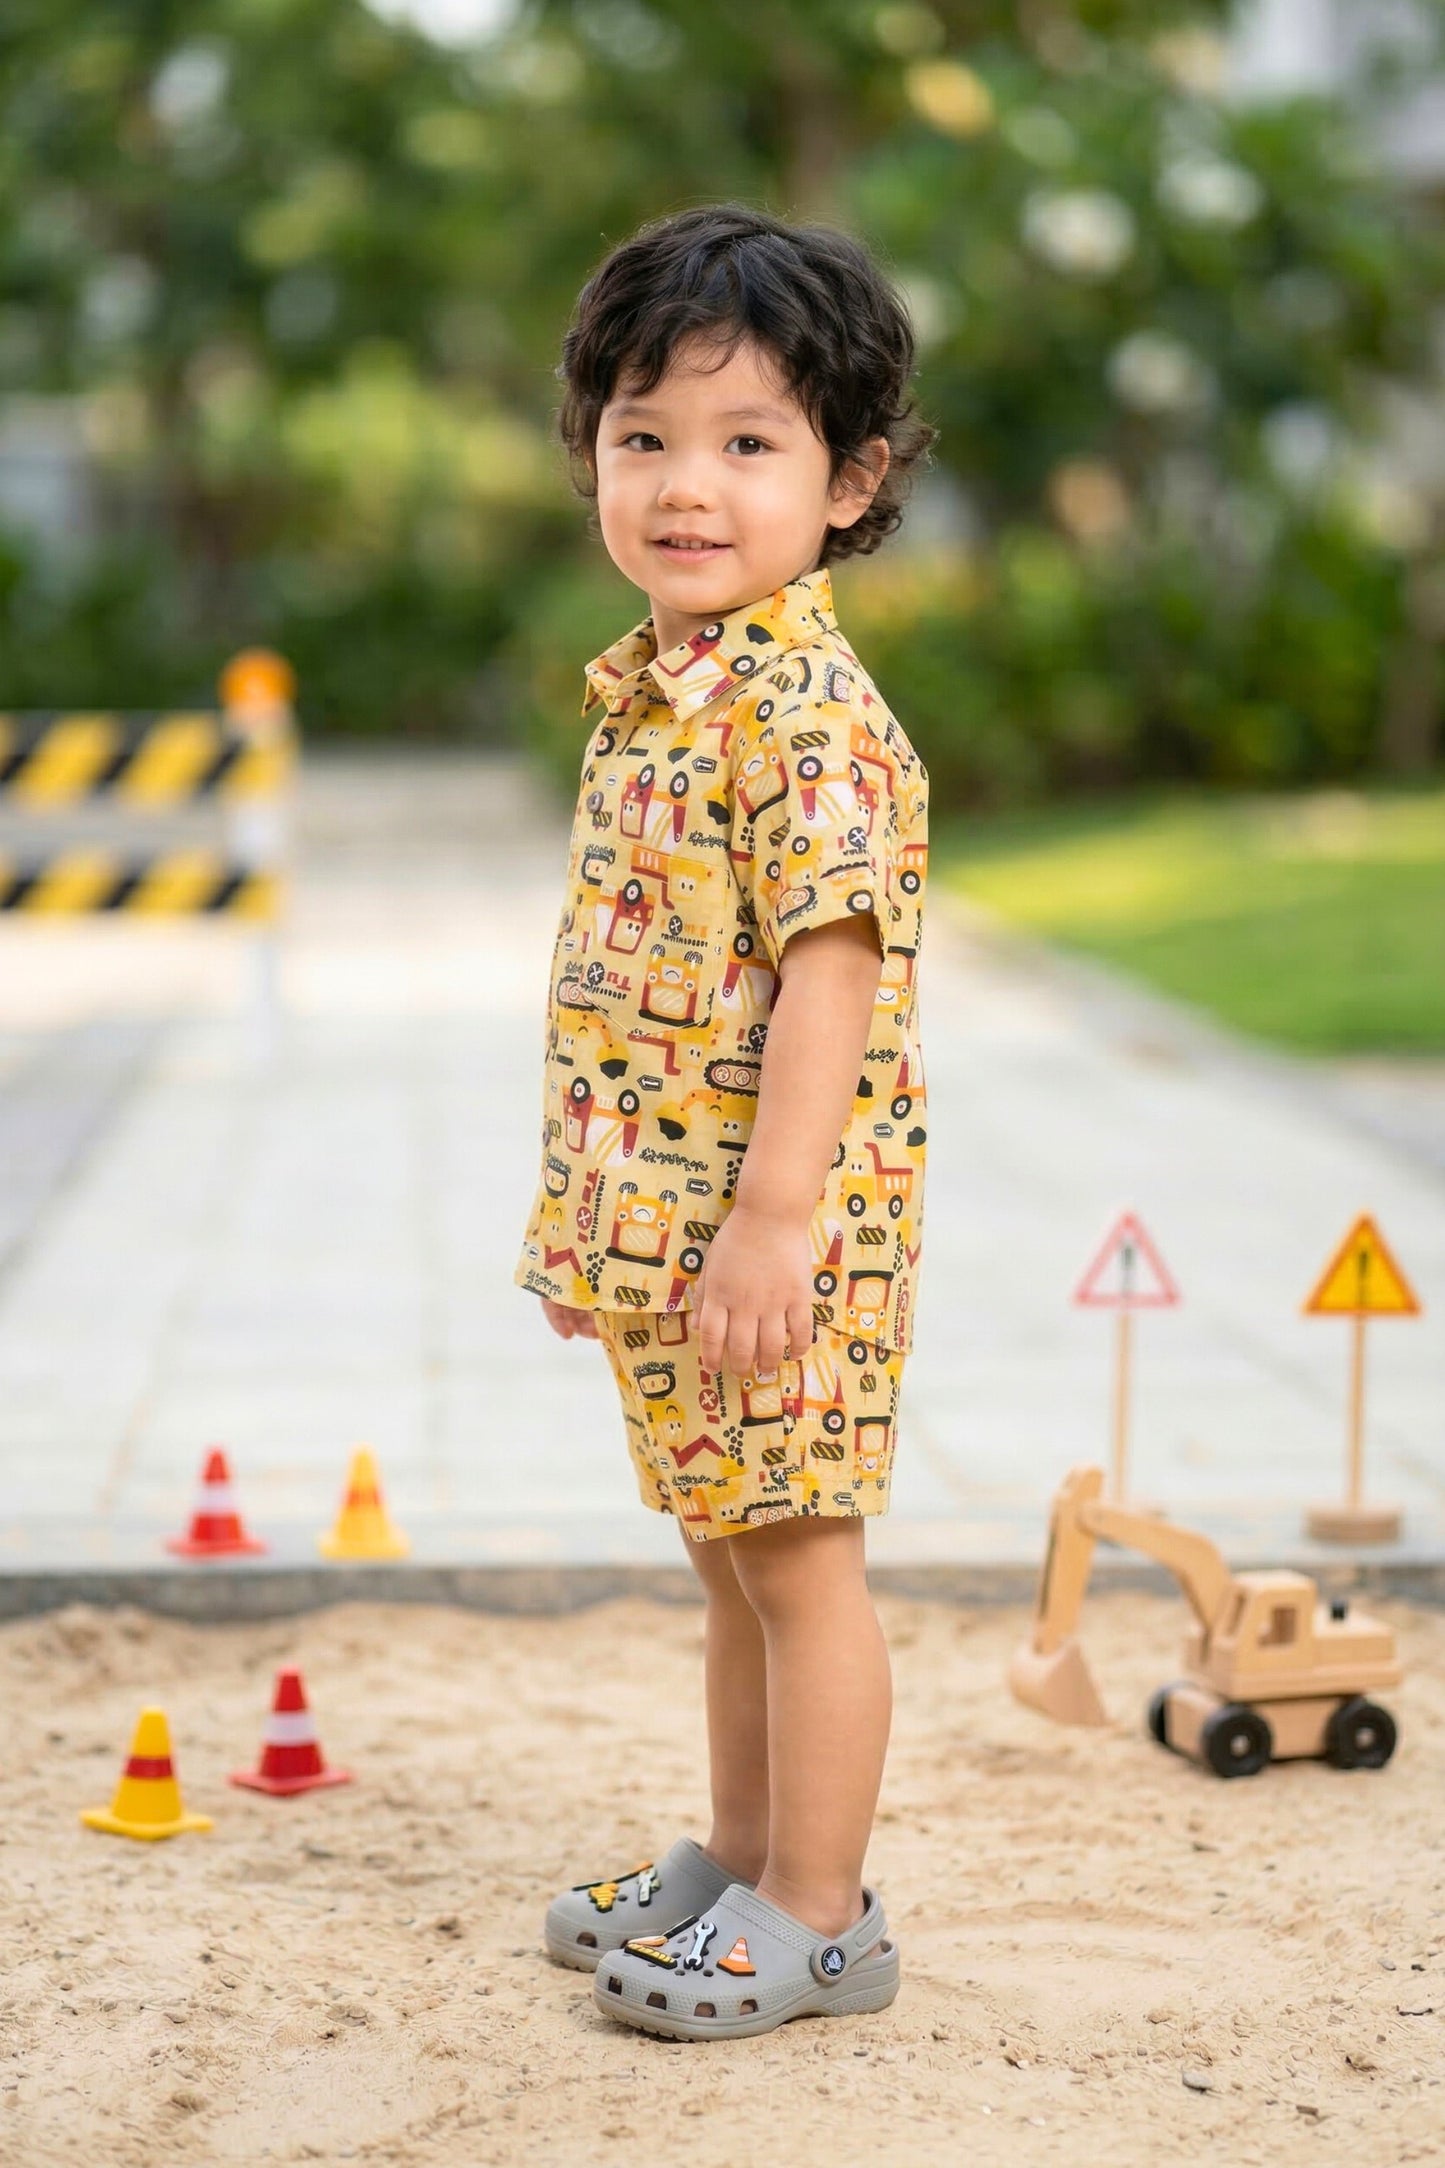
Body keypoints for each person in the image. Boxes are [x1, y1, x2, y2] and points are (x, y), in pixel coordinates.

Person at [514, 202, 934, 2041]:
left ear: (849, 483)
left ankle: (820, 1916)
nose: (687, 484)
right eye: (644, 436)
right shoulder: (661, 690)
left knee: (797, 1554)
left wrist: (768, 1223)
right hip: (665, 1227)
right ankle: (744, 1852)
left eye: (749, 442)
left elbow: (829, 979)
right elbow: (627, 994)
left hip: (778, 1231)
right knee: (723, 1549)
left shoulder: (805, 719)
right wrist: (590, 1236)